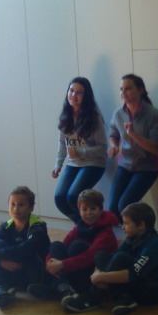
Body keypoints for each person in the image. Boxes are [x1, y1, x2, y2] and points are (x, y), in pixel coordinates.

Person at [36, 188, 119, 312]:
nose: (89, 213)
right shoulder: (80, 227)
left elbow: (90, 256)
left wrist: (62, 264)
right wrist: (49, 263)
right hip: (76, 268)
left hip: (94, 273)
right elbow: (63, 244)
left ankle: (61, 287)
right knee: (56, 245)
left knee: (77, 246)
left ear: (101, 210)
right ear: (79, 211)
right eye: (84, 209)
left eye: (93, 208)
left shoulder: (106, 231)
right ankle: (62, 287)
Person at [87, 201, 158, 315]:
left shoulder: (154, 245)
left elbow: (134, 274)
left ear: (141, 225)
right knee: (100, 255)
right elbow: (112, 257)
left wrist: (101, 277)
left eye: (126, 223)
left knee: (121, 258)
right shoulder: (133, 237)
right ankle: (120, 297)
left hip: (152, 291)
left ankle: (94, 297)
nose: (122, 227)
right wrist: (97, 272)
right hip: (138, 280)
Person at [106, 74, 158, 220]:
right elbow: (113, 134)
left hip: (147, 166)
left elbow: (157, 149)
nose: (123, 93)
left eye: (128, 88)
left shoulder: (152, 114)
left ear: (140, 90)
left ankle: (144, 232)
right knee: (112, 208)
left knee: (124, 205)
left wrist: (133, 134)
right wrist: (114, 146)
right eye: (121, 89)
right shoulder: (119, 113)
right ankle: (131, 232)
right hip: (125, 164)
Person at [51, 77, 107, 224]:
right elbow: (62, 144)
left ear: (86, 96)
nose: (73, 95)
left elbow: (103, 148)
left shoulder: (93, 117)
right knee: (59, 198)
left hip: (93, 164)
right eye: (71, 90)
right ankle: (86, 227)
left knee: (73, 196)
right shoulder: (65, 116)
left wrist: (81, 152)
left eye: (79, 92)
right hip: (73, 163)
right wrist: (58, 165)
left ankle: (91, 227)